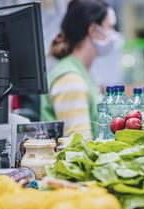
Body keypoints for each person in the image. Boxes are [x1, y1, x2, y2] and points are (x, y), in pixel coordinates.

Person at [40, 0, 119, 139]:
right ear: (93, 30)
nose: (114, 34)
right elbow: (79, 146)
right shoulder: (70, 80)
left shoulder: (83, 73)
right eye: (110, 27)